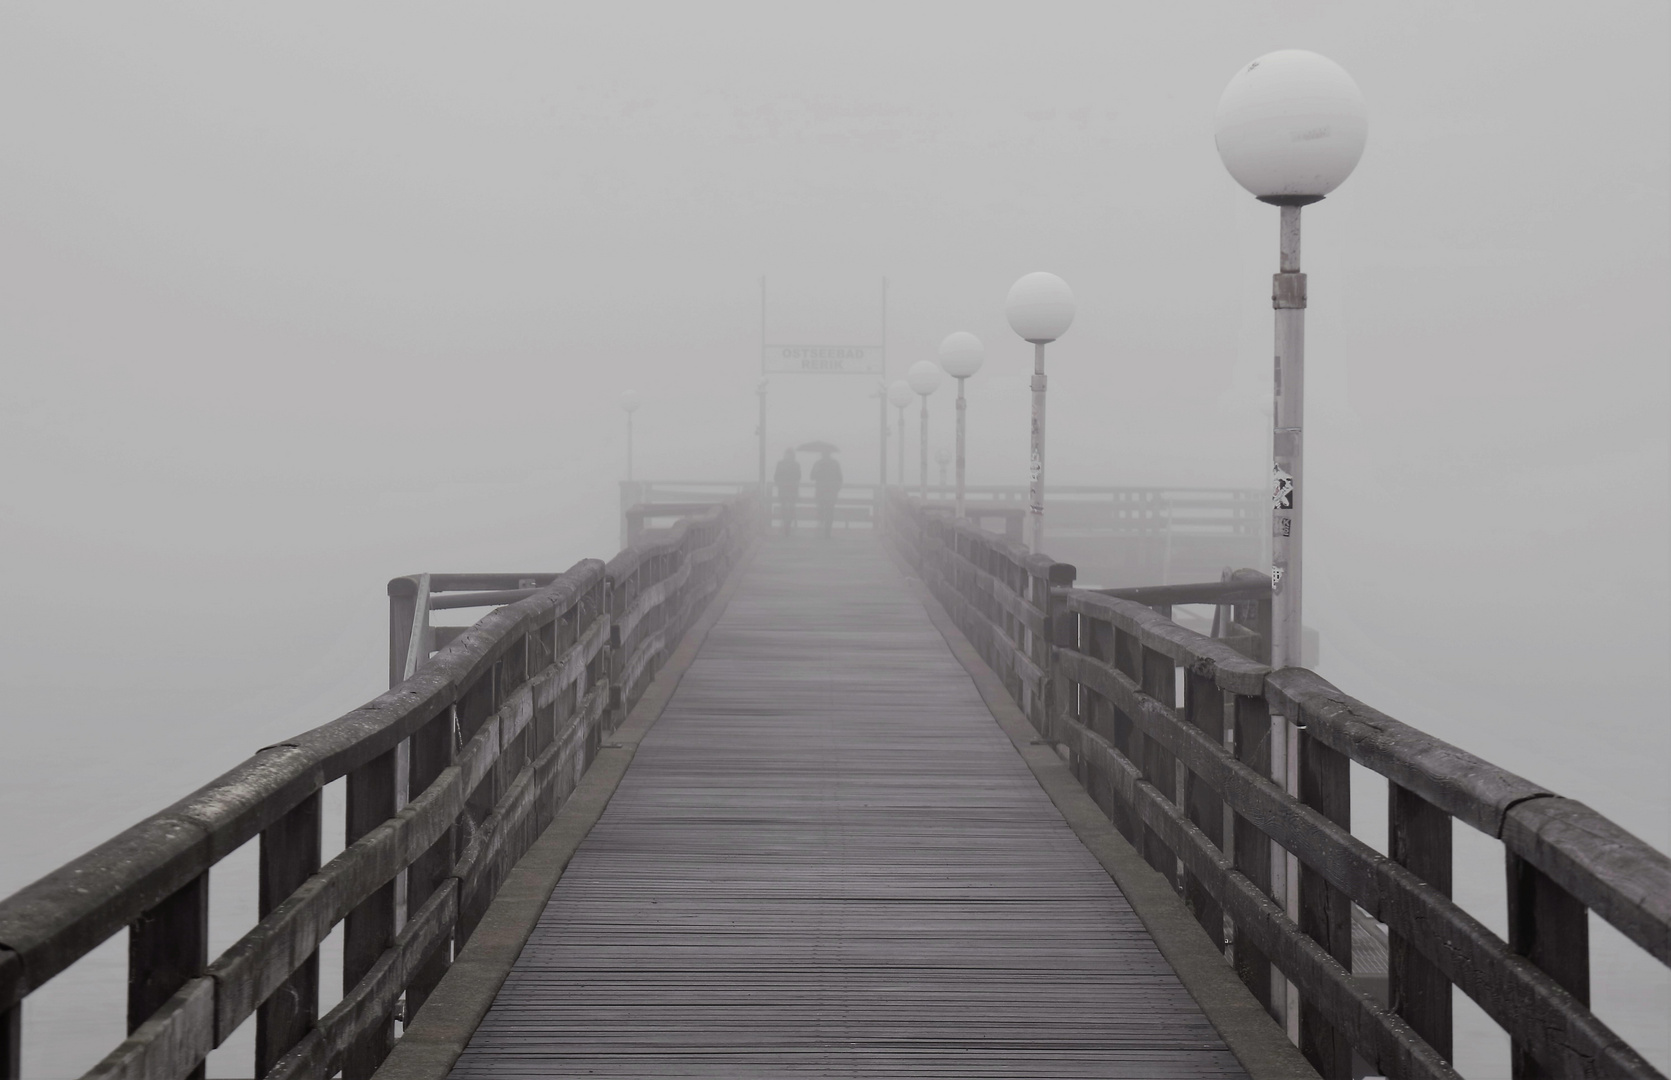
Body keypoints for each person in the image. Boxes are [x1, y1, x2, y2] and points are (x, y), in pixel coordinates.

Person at [810, 450, 843, 538]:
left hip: (821, 492)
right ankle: (827, 531)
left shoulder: (818, 463)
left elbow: (812, 476)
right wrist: (837, 488)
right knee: (829, 511)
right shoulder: (835, 463)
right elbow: (840, 477)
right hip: (831, 492)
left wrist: (817, 471)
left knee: (822, 510)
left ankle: (823, 527)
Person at [773, 448, 800, 535]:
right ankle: (786, 525)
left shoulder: (784, 464)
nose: (788, 456)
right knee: (785, 507)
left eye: (789, 454)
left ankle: (787, 525)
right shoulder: (793, 464)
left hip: (789, 490)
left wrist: (781, 482)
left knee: (789, 508)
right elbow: (776, 476)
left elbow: (799, 476)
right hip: (786, 490)